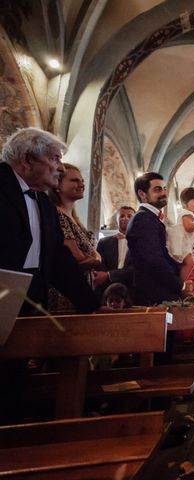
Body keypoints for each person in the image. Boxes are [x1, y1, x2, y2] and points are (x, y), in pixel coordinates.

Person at [0, 127, 98, 424]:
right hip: (1, 297)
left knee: (13, 384)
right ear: (28, 159)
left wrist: (89, 304)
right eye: (55, 158)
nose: (60, 166)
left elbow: (58, 260)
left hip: (31, 301)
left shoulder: (43, 202)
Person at [48, 162, 102, 312]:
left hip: (83, 286)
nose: (81, 184)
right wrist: (94, 259)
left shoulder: (74, 219)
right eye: (74, 180)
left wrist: (93, 258)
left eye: (82, 181)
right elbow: (74, 256)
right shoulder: (58, 215)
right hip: (65, 290)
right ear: (58, 185)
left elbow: (92, 255)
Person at [126, 172, 182, 306]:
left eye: (164, 189)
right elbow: (154, 259)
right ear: (142, 194)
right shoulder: (143, 218)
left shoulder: (150, 218)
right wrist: (179, 284)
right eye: (157, 189)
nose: (163, 193)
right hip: (153, 295)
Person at [167, 187, 194, 283]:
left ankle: (181, 282)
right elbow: (188, 227)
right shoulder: (187, 214)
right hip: (181, 243)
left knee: (188, 263)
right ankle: (181, 284)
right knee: (190, 263)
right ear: (185, 203)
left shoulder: (190, 215)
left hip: (185, 243)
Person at [94, 205, 135, 290]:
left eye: (129, 216)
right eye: (122, 216)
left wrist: (110, 275)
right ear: (117, 220)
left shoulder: (140, 243)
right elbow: (99, 265)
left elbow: (137, 268)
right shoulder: (103, 242)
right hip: (107, 287)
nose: (125, 218)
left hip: (132, 287)